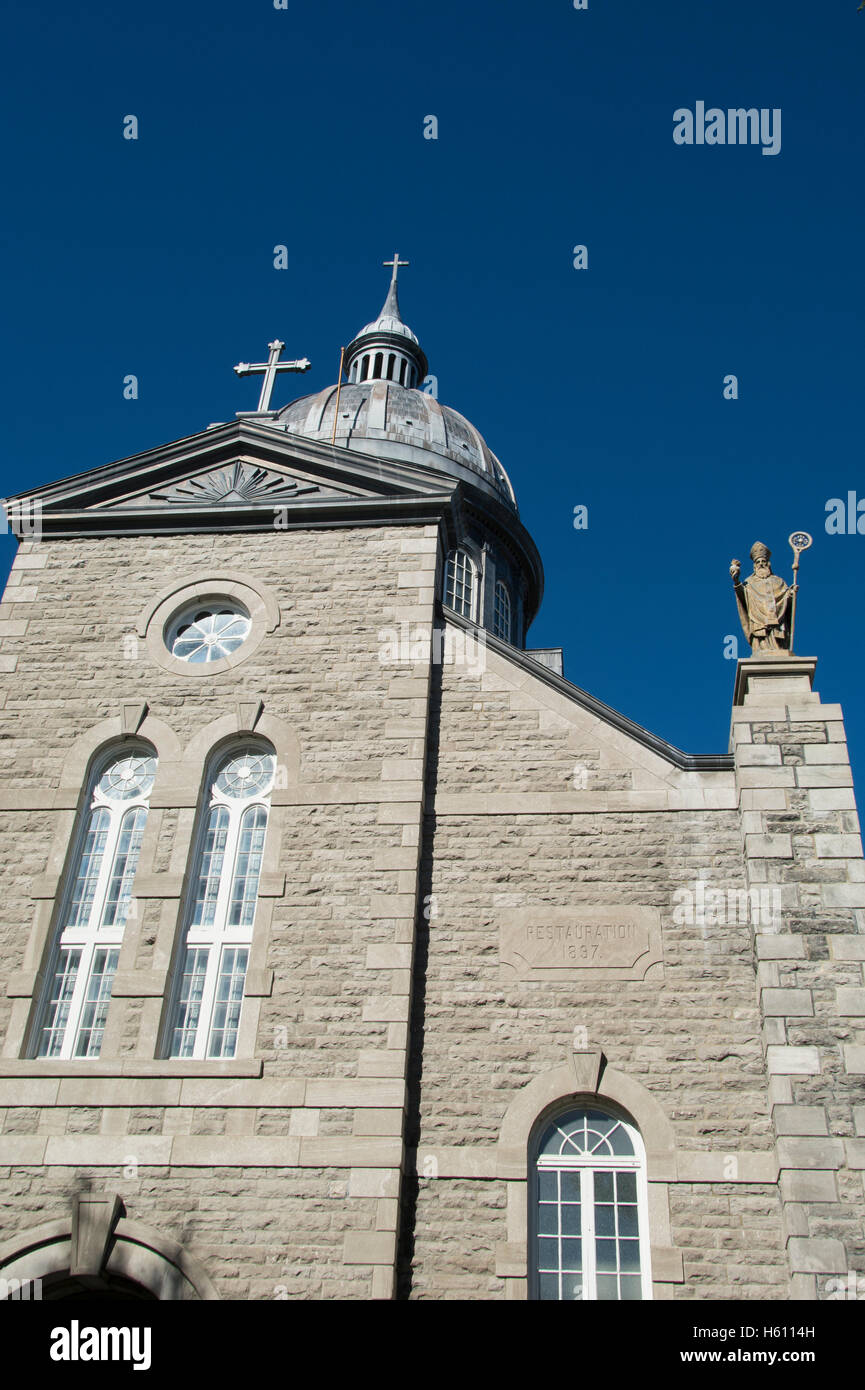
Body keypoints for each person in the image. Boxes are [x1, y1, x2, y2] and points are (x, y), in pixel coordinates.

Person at [730, 542, 797, 652]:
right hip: (758, 619)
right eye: (758, 562)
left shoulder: (778, 581)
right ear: (754, 566)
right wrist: (736, 580)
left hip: (777, 620)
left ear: (768, 564)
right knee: (761, 643)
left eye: (763, 561)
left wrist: (790, 593)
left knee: (778, 641)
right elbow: (743, 595)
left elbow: (785, 597)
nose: (761, 564)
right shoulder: (749, 582)